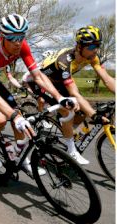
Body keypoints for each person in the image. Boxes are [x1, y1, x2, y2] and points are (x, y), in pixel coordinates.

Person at [0, 14, 76, 174]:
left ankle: (21, 159)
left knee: (19, 115)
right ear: (2, 37)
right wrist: (14, 116)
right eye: (12, 38)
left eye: (21, 36)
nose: (17, 42)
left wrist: (60, 97)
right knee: (2, 119)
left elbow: (38, 76)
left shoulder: (22, 46)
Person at [24, 25, 115, 164]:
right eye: (91, 47)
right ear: (79, 46)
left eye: (97, 45)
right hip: (39, 81)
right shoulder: (65, 61)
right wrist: (94, 115)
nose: (95, 50)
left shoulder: (92, 57)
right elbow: (74, 92)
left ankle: (66, 131)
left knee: (83, 111)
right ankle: (71, 150)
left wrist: (89, 111)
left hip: (58, 81)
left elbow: (107, 80)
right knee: (68, 110)